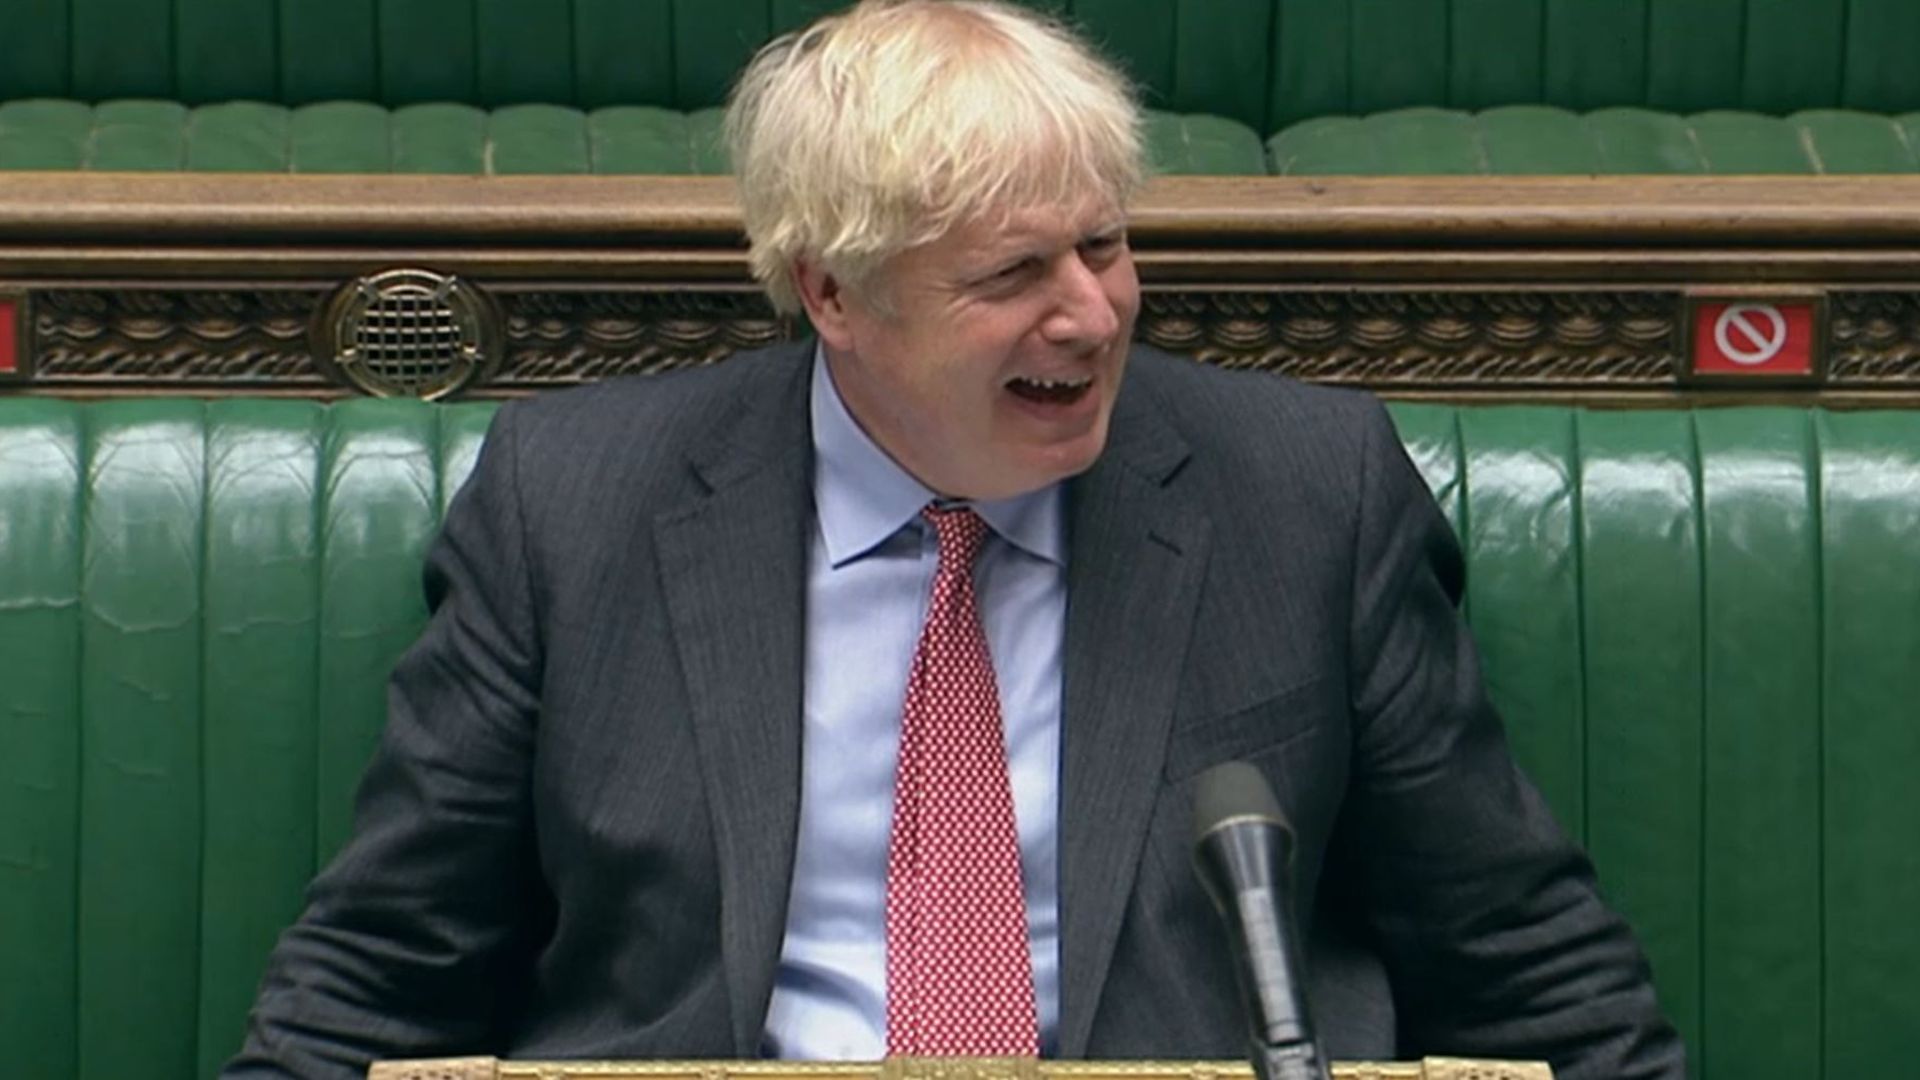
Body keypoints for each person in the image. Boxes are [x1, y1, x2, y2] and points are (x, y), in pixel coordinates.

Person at [226, 2, 1684, 1078]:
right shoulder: (577, 501)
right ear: (836, 295)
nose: (1094, 314)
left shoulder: (1303, 489)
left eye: (1105, 245)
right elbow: (382, 970)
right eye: (1013, 274)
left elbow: (1520, 957)